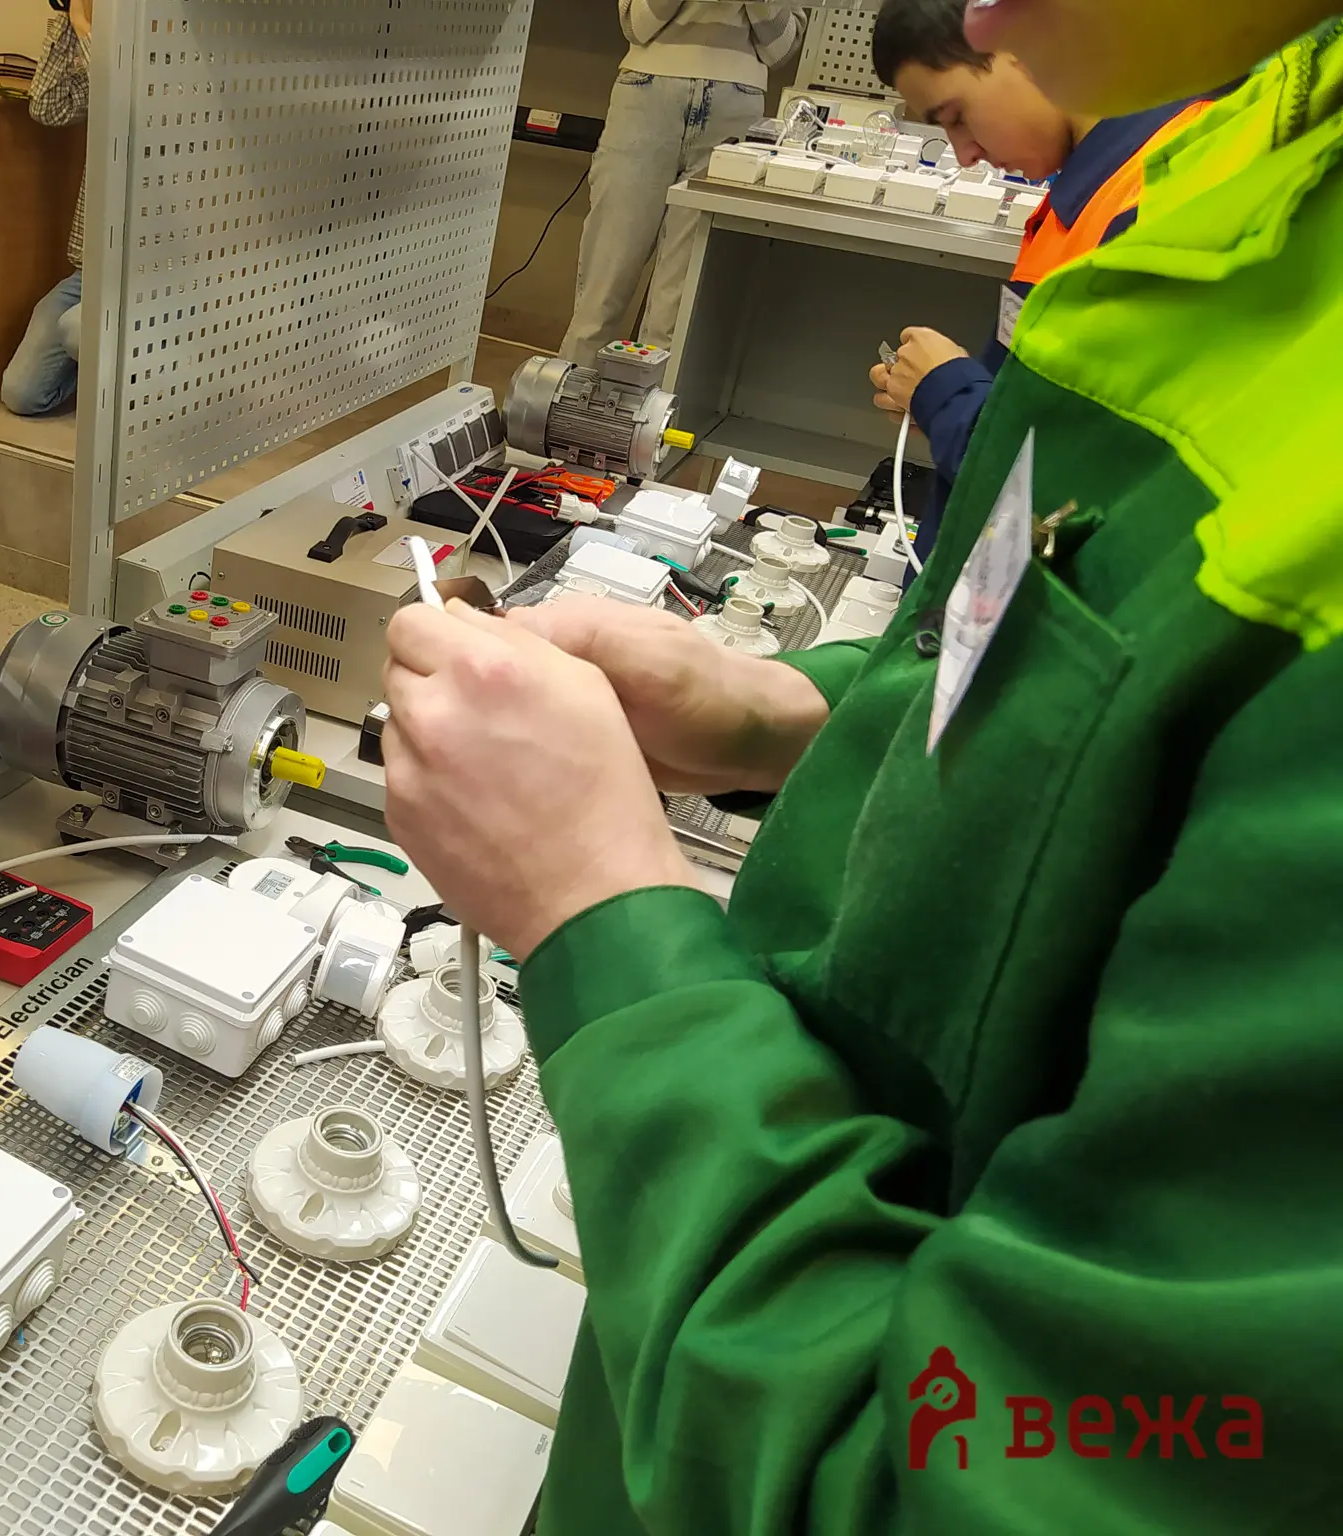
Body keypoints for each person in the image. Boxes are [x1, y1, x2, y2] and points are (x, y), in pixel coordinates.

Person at [382, 0, 1343, 1529]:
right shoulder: (1244, 170)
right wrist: (793, 714)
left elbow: (932, 1487)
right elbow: (1082, 667)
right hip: (706, 1337)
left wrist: (598, 915)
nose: (968, 12)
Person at [866, 0, 1210, 566]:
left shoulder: (1162, 196)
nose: (965, 154)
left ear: (1025, 46)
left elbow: (1068, 482)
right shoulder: (1087, 191)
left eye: (957, 116)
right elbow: (1035, 409)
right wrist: (941, 402)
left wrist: (946, 393)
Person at [560, 3, 802, 363]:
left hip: (736, 106)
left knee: (674, 315)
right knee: (602, 291)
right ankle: (569, 395)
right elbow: (636, 25)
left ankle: (647, 400)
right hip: (647, 93)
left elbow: (780, 48)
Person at [0, 0, 91, 417]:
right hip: (92, 275)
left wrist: (86, 25)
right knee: (22, 393)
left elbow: (128, 104)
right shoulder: (102, 56)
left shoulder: (159, 65)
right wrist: (71, 22)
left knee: (78, 329)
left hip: (152, 278)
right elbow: (47, 107)